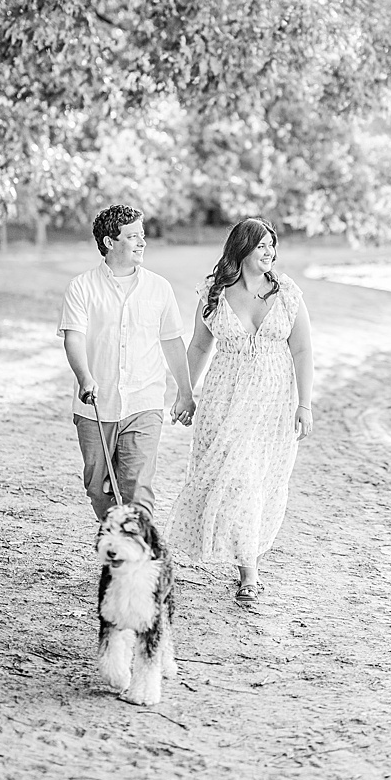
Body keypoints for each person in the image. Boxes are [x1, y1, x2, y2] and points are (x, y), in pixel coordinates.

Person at [169, 217, 315, 605]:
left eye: (272, 245)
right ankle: (245, 569)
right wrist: (185, 393)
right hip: (224, 399)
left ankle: (248, 570)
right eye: (262, 245)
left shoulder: (287, 294)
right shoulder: (215, 294)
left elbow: (302, 350)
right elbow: (199, 348)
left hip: (271, 405)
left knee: (254, 480)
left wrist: (304, 403)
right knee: (233, 478)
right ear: (242, 248)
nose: (270, 252)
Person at [59, 204, 195, 522]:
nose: (142, 242)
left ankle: (138, 555)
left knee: (137, 491)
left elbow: (172, 342)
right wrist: (85, 377)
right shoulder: (81, 287)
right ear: (110, 242)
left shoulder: (159, 288)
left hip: (143, 403)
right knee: (97, 487)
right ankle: (117, 538)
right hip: (96, 405)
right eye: (133, 236)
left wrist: (185, 392)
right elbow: (73, 338)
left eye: (142, 235)